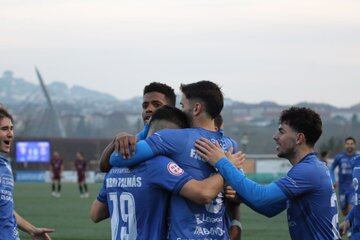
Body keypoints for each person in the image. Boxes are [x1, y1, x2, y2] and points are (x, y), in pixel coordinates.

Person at [109, 81, 242, 239]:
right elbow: (240, 195)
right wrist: (229, 174)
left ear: (196, 108)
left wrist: (137, 133)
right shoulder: (230, 146)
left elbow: (117, 158)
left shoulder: (174, 138)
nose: (180, 110)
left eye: (182, 105)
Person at [195, 107, 340, 240]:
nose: (275, 136)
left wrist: (221, 161)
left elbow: (261, 197)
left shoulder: (308, 170)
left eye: (281, 131)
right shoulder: (311, 167)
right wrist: (240, 196)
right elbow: (269, 208)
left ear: (299, 138)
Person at [0, 107, 54, 239]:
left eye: (11, 128)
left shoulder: (5, 166)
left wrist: (32, 229)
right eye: (4, 129)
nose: (11, 134)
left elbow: (5, 210)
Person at [99, 82, 176, 172]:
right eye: (145, 106)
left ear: (171, 110)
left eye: (157, 105)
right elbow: (104, 167)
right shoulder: (140, 137)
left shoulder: (181, 137)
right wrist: (117, 138)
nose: (148, 109)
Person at [330, 137, 358, 216]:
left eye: (352, 144)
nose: (350, 145)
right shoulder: (339, 157)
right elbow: (331, 169)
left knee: (351, 210)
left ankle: (349, 227)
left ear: (354, 145)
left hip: (353, 189)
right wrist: (333, 180)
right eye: (348, 144)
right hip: (342, 189)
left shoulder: (358, 158)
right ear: (345, 145)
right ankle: (345, 227)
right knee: (344, 212)